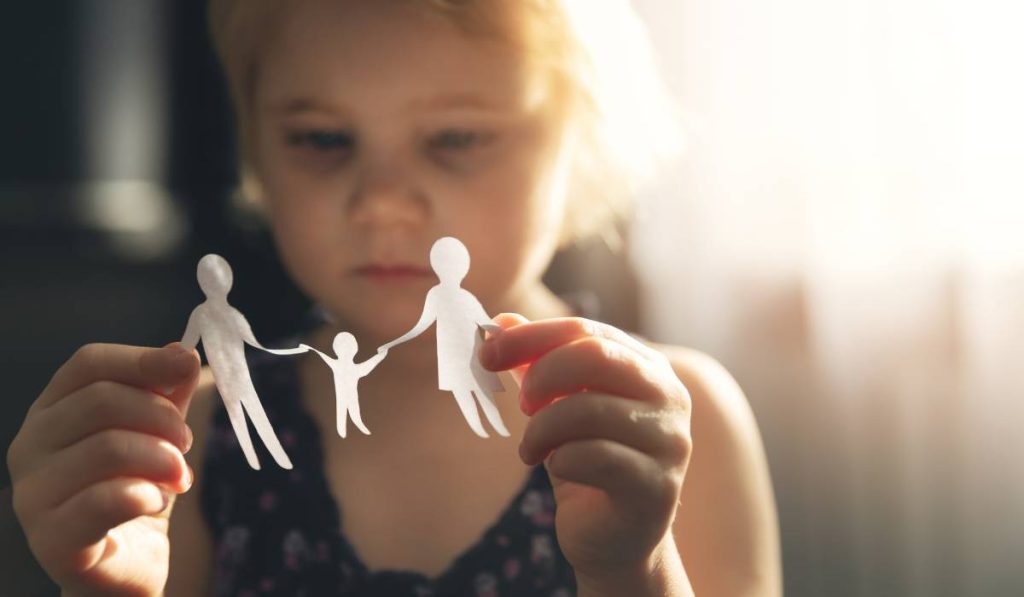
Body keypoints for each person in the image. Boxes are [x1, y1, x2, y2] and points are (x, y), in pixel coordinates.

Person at [5, 1, 782, 595]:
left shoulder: (673, 422)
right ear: (257, 150)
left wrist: (632, 569)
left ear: (580, 142)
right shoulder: (196, 442)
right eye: (322, 139)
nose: (380, 203)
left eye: (455, 139)